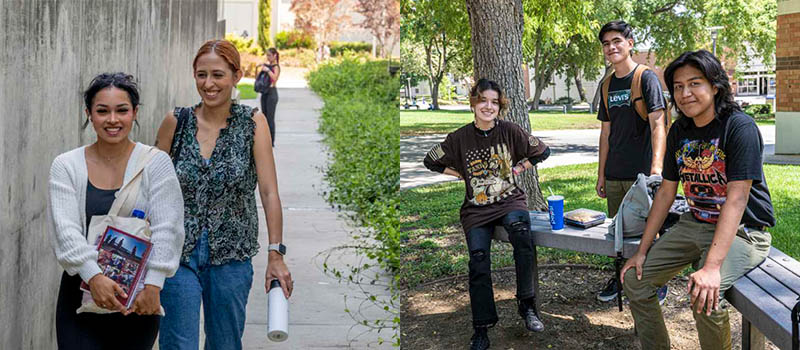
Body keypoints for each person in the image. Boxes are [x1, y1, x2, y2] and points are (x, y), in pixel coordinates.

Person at [621, 50, 774, 350]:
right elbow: (666, 191)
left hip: (745, 231)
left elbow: (737, 198)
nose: (685, 93)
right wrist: (642, 251)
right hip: (696, 222)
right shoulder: (680, 130)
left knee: (705, 294)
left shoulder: (738, 127)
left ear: (715, 86)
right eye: (678, 87)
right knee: (635, 282)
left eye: (695, 84)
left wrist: (712, 267)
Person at [154, 40, 292, 350]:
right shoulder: (175, 123)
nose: (208, 84)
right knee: (178, 344)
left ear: (236, 76)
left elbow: (269, 192)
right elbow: (151, 189)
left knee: (225, 344)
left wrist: (276, 254)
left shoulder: (253, 124)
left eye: (218, 75)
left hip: (232, 257)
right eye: (201, 75)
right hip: (178, 256)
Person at [49, 72, 185, 349]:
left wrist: (154, 284)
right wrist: (94, 277)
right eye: (102, 111)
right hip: (81, 296)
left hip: (140, 297)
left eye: (122, 110)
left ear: (135, 113)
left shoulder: (156, 163)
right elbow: (65, 231)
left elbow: (167, 227)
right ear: (89, 113)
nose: (113, 120)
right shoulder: (66, 166)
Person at [423, 78, 551, 350]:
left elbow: (542, 150)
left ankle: (527, 306)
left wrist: (520, 168)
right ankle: (481, 327)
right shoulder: (458, 138)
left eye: (494, 102)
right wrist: (457, 173)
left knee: (522, 237)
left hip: (509, 202)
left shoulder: (510, 131)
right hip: (476, 210)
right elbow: (430, 160)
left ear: (499, 106)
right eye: (483, 101)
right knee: (478, 261)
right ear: (473, 103)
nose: (488, 106)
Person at [595, 20, 669, 303]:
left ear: (629, 43)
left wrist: (656, 168)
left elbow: (658, 124)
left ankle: (656, 281)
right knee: (620, 233)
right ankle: (621, 278)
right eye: (606, 44)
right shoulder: (606, 85)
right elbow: (605, 133)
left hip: (643, 175)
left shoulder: (645, 78)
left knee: (652, 232)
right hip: (615, 173)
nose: (611, 47)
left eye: (616, 41)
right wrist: (601, 174)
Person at [258, 47, 280, 147]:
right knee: (264, 118)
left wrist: (267, 70)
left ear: (275, 55)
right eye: (267, 55)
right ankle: (265, 140)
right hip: (264, 92)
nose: (268, 57)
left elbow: (274, 78)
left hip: (272, 93)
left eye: (270, 55)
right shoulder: (267, 66)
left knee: (270, 118)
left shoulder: (276, 67)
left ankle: (271, 142)